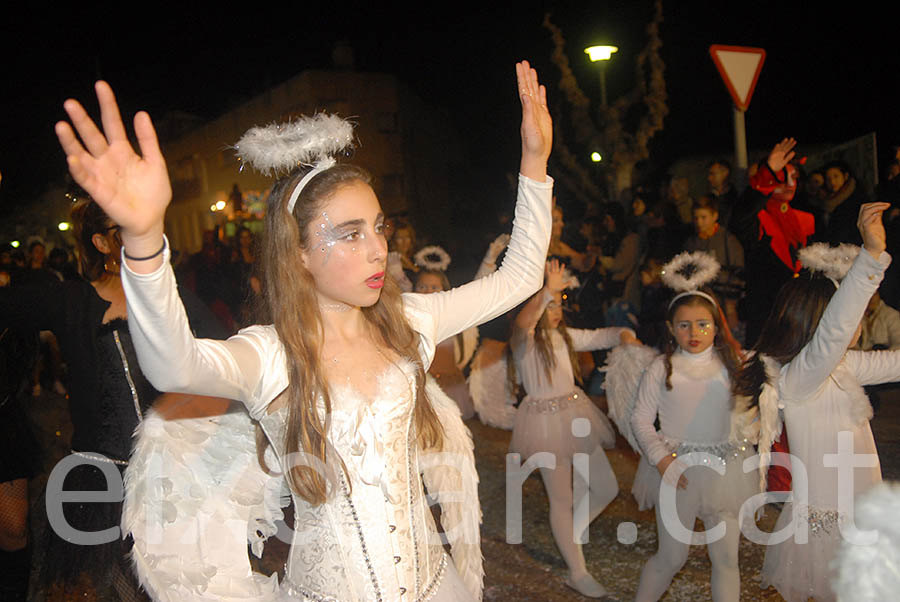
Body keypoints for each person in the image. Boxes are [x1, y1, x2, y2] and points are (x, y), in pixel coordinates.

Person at [54, 61, 553, 601]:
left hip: (435, 585)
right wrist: (145, 238)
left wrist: (534, 161)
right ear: (298, 255)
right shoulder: (269, 356)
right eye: (350, 233)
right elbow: (172, 365)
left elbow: (521, 276)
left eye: (379, 227)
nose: (378, 248)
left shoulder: (410, 322)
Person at [737, 202, 896, 602]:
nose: (857, 322)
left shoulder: (840, 368)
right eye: (846, 313)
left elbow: (894, 361)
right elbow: (834, 335)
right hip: (832, 531)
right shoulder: (799, 376)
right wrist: (870, 258)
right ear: (818, 320)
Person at [508, 259, 637, 598]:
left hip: (577, 415)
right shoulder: (524, 341)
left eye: (558, 304)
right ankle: (577, 571)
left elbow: (601, 336)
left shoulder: (565, 338)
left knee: (606, 487)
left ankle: (570, 534)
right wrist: (546, 292)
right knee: (561, 498)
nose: (554, 310)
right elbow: (524, 322)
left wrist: (625, 334)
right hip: (544, 424)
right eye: (547, 304)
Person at [629, 253, 754, 602]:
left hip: (723, 471)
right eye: (684, 325)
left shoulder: (733, 364)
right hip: (676, 470)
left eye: (702, 323)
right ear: (671, 328)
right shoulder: (662, 368)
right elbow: (640, 418)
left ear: (717, 324)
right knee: (672, 557)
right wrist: (662, 460)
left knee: (727, 558)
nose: (694, 332)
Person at [412, 236, 509, 419]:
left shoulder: (452, 315)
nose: (427, 292)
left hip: (451, 389)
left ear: (444, 291)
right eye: (422, 286)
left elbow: (476, 295)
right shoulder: (410, 318)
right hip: (423, 391)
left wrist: (488, 261)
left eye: (434, 287)